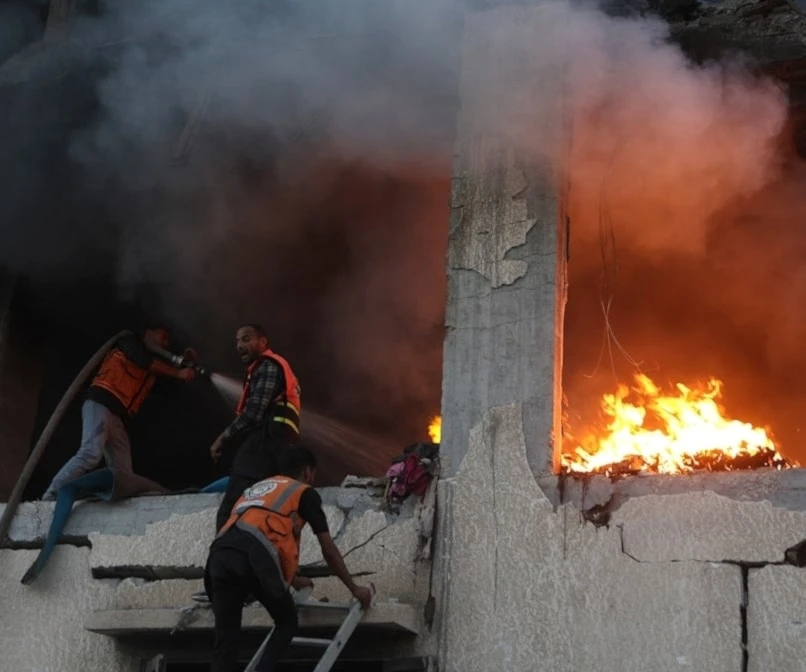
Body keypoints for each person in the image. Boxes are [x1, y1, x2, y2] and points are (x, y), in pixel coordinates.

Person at [204, 447, 373, 672]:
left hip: (218, 557)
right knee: (286, 622)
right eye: (313, 474)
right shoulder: (303, 492)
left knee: (226, 645)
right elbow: (328, 550)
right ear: (307, 472)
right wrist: (354, 588)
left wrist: (293, 579)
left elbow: (265, 533)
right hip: (251, 557)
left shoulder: (258, 489)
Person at [42, 326, 196, 501]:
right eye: (164, 336)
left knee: (124, 473)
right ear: (149, 332)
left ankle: (121, 504)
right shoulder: (129, 341)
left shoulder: (152, 369)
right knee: (91, 453)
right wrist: (178, 372)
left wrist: (185, 364)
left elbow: (166, 387)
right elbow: (142, 360)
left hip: (117, 417)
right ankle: (53, 493)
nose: (166, 342)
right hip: (100, 404)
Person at [210, 323, 302, 532]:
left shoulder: (268, 366)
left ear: (263, 342)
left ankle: (224, 556)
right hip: (278, 444)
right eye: (237, 341)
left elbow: (253, 413)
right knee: (264, 507)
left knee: (232, 507)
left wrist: (222, 438)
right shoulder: (273, 368)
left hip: (265, 442)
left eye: (246, 338)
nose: (239, 345)